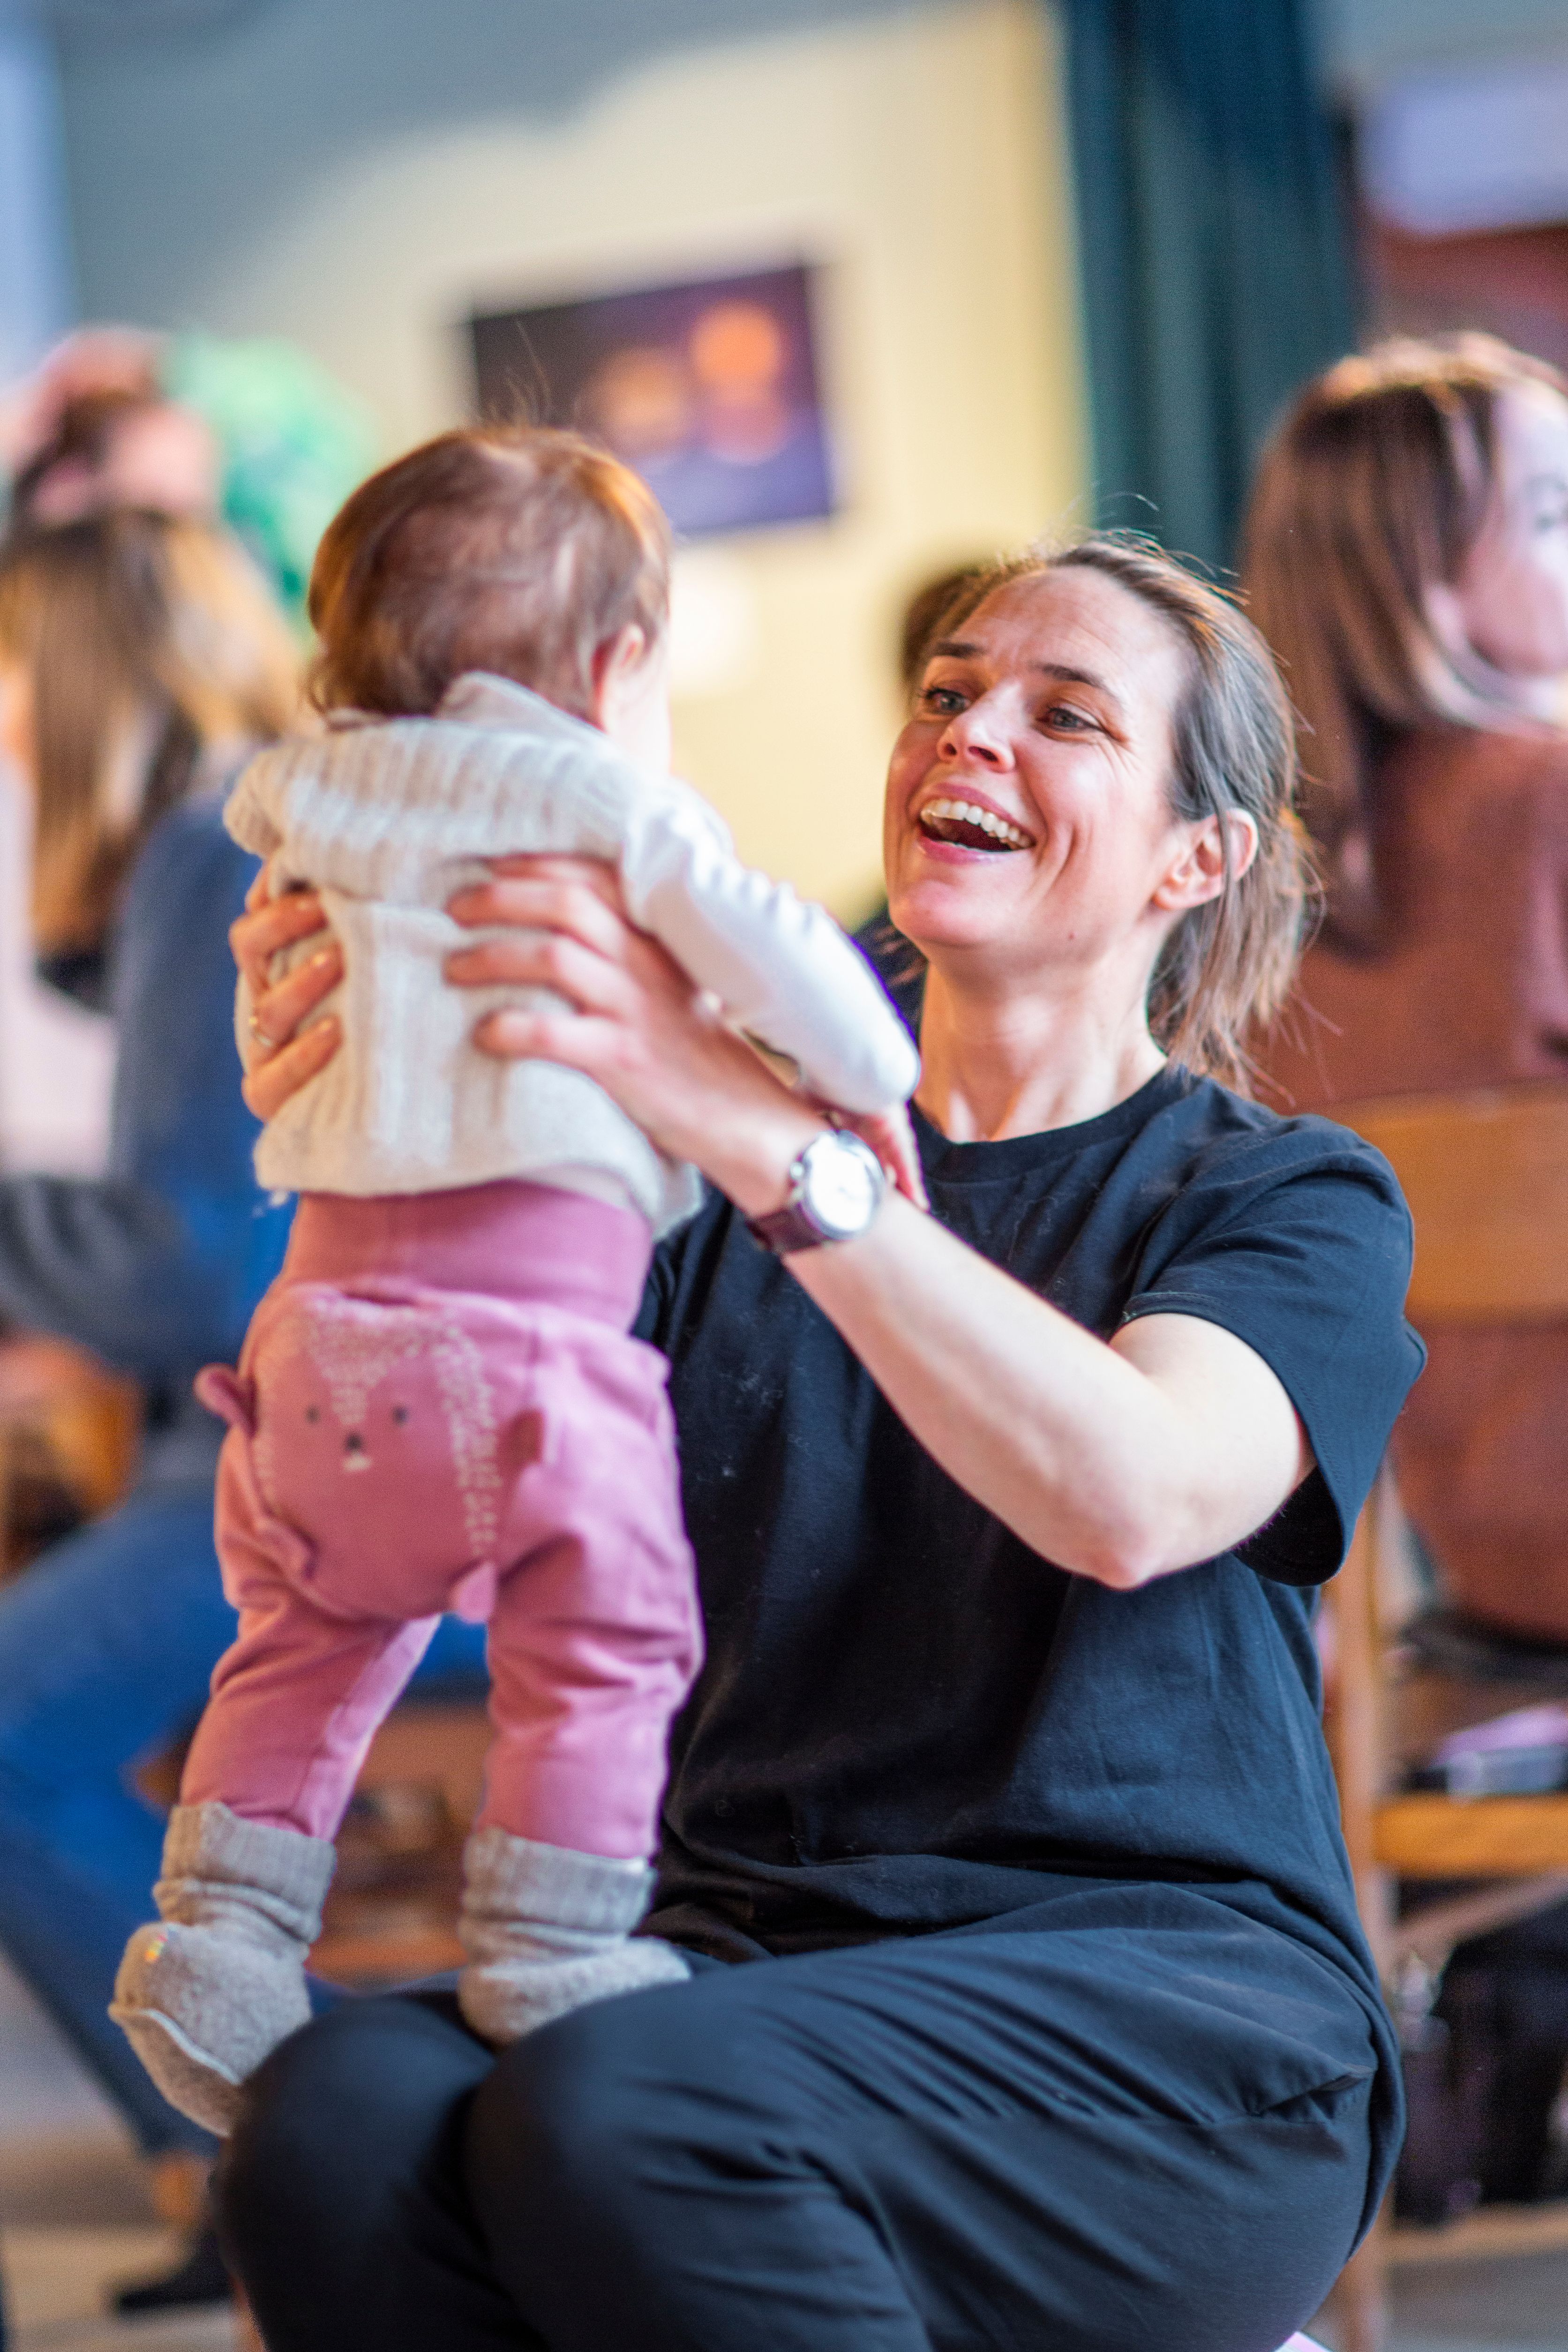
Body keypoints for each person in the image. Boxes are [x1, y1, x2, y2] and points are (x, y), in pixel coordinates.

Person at [215, 534, 1420, 2352]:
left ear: (1199, 857)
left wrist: (772, 1146)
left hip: (1175, 2024)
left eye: (1064, 713)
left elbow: (1134, 1492)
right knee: (328, 2126)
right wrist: (369, 1117)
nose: (971, 732)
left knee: (632, 2106)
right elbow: (443, 1500)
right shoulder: (685, 1191)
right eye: (947, 692)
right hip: (743, 1958)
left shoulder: (1283, 1198)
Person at [112, 424, 920, 2134]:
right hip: (528, 1362)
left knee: (308, 1640)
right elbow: (825, 1000)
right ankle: (551, 1947)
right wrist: (854, 1076)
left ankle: (217, 1939)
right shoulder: (605, 808)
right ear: (618, 669)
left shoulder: (302, 816)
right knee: (608, 1638)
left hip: (310, 1360)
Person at [0, 503, 487, 2308]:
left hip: (350, 1475)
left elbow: (197, 1261)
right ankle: (268, 2138)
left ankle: (311, 2138)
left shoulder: (214, 849)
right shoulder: (245, 831)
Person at [1247, 334, 1568, 1645]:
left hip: (1456, 1565)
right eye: (1550, 513)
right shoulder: (1545, 796)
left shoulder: (1244, 891)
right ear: (1422, 583)